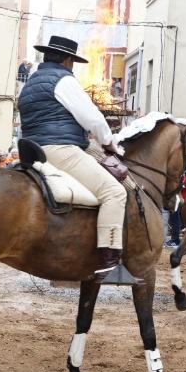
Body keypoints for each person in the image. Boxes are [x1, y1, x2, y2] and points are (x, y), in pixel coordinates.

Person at [18, 35, 126, 276]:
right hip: (60, 150)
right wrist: (108, 142)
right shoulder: (64, 80)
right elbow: (92, 119)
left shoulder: (31, 82)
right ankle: (109, 260)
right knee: (114, 192)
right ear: (67, 60)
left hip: (32, 149)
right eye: (73, 62)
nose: (73, 66)